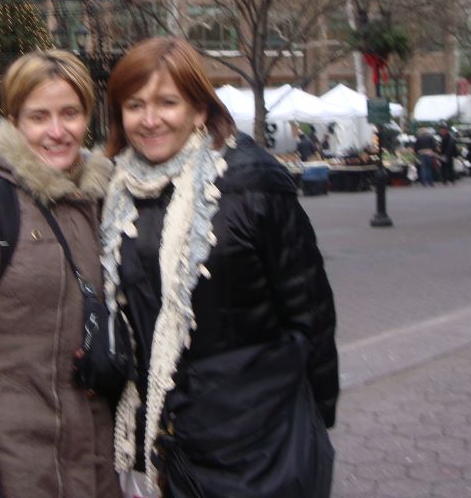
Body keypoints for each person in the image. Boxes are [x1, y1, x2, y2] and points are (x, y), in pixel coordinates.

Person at [100, 38, 338, 498]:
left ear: (199, 109)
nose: (150, 120)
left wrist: (312, 422)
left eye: (167, 102)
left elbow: (310, 312)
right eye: (135, 105)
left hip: (258, 442)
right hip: (166, 441)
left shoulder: (253, 185)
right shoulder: (114, 195)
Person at [0, 50, 120, 498]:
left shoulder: (97, 198)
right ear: (14, 121)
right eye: (39, 117)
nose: (57, 131)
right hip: (16, 461)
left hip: (92, 454)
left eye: (70, 113)